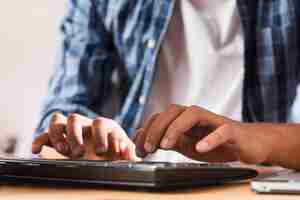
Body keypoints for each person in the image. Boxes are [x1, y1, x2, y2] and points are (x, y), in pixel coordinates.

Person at [32, 0, 300, 170]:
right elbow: (62, 109)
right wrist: (77, 138)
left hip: (249, 188)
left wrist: (260, 139)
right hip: (131, 185)